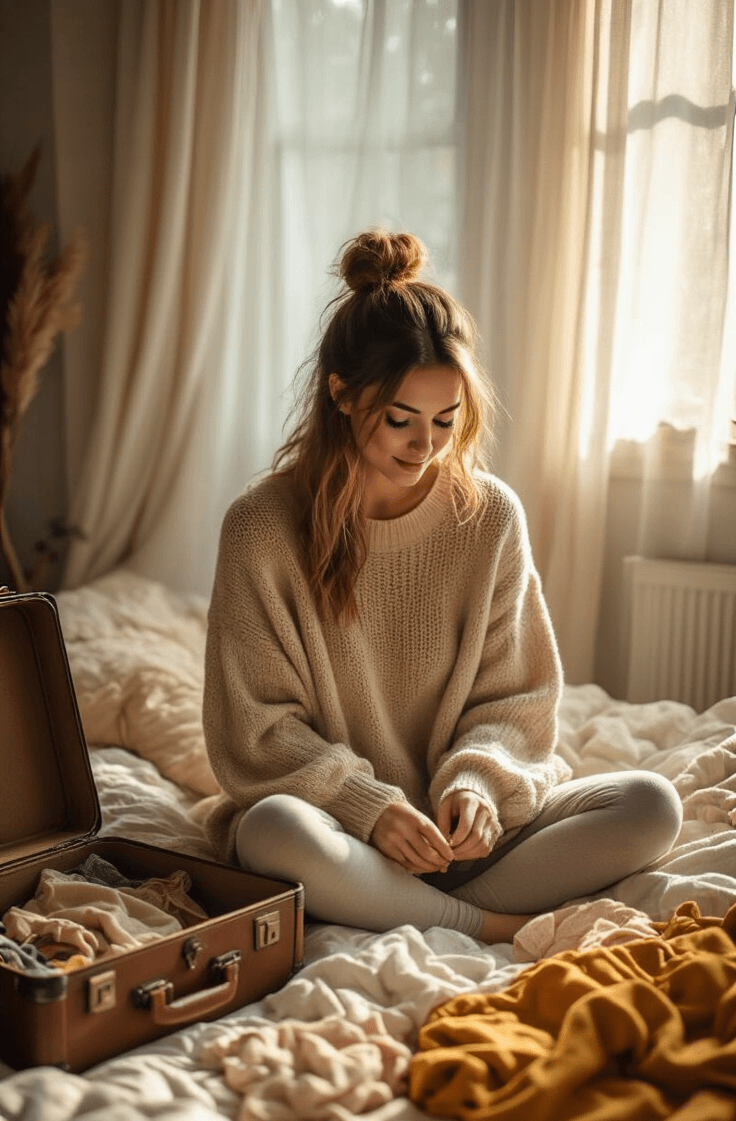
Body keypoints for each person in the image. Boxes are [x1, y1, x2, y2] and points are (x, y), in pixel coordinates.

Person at [202, 230, 682, 945]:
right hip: (342, 830)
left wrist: (478, 783)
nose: (425, 447)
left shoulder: (489, 517)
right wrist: (367, 805)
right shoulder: (260, 529)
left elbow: (516, 698)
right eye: (400, 420)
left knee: (651, 803)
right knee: (271, 829)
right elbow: (259, 732)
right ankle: (482, 923)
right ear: (340, 393)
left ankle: (415, 908)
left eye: (445, 422)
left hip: (466, 840)